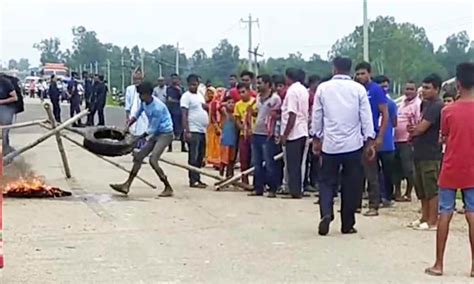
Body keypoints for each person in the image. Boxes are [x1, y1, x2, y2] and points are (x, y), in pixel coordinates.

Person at [312, 56, 375, 236]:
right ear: (350, 70)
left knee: (326, 181)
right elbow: (366, 116)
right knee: (351, 183)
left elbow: (317, 115)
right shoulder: (358, 89)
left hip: (330, 144)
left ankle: (326, 212)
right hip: (353, 144)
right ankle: (347, 224)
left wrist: (316, 137)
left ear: (334, 69)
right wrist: (369, 140)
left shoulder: (323, 88)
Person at [424, 63, 474, 277]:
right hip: (472, 168)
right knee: (472, 213)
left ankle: (439, 263)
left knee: (445, 212)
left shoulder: (448, 111)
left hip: (451, 167)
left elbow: (443, 137)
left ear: (458, 84)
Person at [110, 81, 174, 197]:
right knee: (139, 157)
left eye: (142, 95)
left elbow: (151, 129)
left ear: (149, 94)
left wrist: (137, 138)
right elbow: (136, 115)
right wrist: (127, 126)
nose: (140, 97)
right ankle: (127, 185)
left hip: (165, 134)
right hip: (155, 133)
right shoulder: (144, 102)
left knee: (153, 160)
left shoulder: (158, 108)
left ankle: (167, 186)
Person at [408, 73, 444, 231]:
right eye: (423, 87)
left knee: (431, 188)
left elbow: (422, 128)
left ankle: (432, 220)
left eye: (428, 88)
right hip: (419, 151)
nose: (424, 91)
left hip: (431, 153)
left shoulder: (437, 106)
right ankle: (424, 216)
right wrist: (413, 130)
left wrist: (414, 130)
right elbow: (417, 127)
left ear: (437, 89)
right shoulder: (424, 104)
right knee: (420, 187)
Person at [355, 61, 389, 217]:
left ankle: (374, 204)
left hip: (370, 135)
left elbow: (385, 113)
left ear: (370, 73)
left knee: (371, 172)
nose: (360, 76)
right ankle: (354, 204)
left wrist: (380, 136)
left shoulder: (375, 90)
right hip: (355, 136)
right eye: (358, 73)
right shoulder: (355, 89)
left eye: (363, 73)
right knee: (355, 172)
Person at [249, 74, 282, 198]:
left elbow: (278, 116)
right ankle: (258, 188)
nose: (257, 85)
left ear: (268, 84)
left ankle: (272, 188)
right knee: (256, 163)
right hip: (256, 132)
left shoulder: (275, 99)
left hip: (268, 135)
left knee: (269, 163)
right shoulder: (257, 98)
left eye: (260, 83)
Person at [280, 68, 309, 199]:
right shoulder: (303, 90)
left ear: (289, 77)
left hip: (294, 131)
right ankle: (297, 189)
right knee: (298, 163)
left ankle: (295, 191)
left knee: (292, 163)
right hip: (302, 129)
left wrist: (285, 134)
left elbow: (292, 114)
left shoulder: (292, 91)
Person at [393, 81, 421, 202]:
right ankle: (397, 192)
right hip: (396, 140)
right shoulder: (401, 103)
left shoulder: (418, 104)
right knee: (396, 168)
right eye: (407, 89)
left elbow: (418, 122)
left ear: (416, 91)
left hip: (408, 140)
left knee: (408, 168)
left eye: (411, 89)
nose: (408, 91)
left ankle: (408, 193)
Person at [181, 74, 209, 188]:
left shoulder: (200, 95)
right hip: (193, 129)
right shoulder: (186, 97)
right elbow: (184, 114)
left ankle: (198, 178)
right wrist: (186, 130)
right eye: (192, 84)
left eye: (196, 84)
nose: (194, 86)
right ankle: (193, 180)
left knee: (200, 156)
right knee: (193, 156)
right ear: (188, 85)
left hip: (202, 130)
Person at [373, 75, 398, 206]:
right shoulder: (369, 101)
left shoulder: (391, 104)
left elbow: (394, 122)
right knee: (374, 173)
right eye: (381, 86)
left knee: (387, 172)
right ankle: (376, 197)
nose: (384, 88)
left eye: (386, 86)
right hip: (372, 142)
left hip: (387, 143)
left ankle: (388, 196)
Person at [234, 83, 255, 185]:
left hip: (255, 133)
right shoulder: (238, 105)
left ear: (249, 91)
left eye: (243, 92)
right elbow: (237, 120)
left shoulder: (255, 102)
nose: (242, 94)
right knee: (244, 158)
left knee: (255, 158)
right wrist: (243, 128)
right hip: (243, 135)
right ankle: (244, 181)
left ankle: (257, 182)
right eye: (239, 93)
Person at [305, 74, 321, 192]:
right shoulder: (307, 95)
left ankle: (314, 181)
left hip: (315, 130)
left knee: (315, 158)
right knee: (306, 158)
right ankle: (306, 182)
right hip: (307, 129)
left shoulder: (318, 95)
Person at [125, 71, 148, 147]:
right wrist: (127, 116)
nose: (137, 81)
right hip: (133, 112)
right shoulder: (129, 89)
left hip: (144, 113)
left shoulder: (145, 88)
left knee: (143, 129)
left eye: (139, 79)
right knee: (133, 130)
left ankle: (143, 148)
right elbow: (127, 104)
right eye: (135, 79)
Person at [167, 73, 186, 152]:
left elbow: (183, 98)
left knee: (182, 129)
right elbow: (169, 99)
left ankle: (183, 146)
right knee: (170, 129)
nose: (174, 80)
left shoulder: (181, 88)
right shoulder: (169, 88)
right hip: (171, 110)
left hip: (179, 111)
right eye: (173, 78)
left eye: (176, 78)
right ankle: (170, 147)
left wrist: (179, 91)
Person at [0, 74, 19, 155]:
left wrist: (1, 102)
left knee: (4, 134)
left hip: (6, 111)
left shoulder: (5, 82)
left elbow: (15, 98)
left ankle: (6, 154)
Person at [219, 96, 238, 178]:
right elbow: (217, 106)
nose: (231, 104)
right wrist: (223, 105)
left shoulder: (235, 114)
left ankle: (229, 175)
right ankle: (221, 175)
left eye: (232, 103)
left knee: (231, 159)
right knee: (223, 159)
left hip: (233, 139)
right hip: (225, 140)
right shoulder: (223, 112)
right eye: (229, 102)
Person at [205, 87, 223, 168]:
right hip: (213, 126)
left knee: (219, 144)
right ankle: (214, 161)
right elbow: (212, 115)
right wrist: (216, 126)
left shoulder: (222, 103)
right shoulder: (213, 103)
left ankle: (218, 161)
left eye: (220, 92)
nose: (219, 93)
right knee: (213, 143)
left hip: (221, 125)